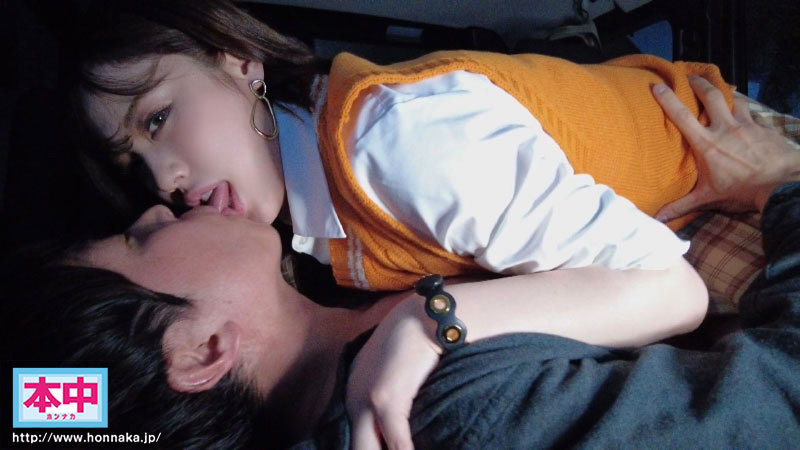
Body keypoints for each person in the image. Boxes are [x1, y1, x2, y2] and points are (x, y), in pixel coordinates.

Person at [5, 79, 799, 449]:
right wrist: (785, 187)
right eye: (140, 243)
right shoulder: (456, 419)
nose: (154, 203)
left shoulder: (343, 280)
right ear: (202, 352)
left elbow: (41, 412)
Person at [70, 2, 716, 446]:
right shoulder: (313, 224)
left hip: (712, 144)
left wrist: (428, 321)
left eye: (157, 119)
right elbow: (48, 415)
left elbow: (673, 289)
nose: (162, 181)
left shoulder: (401, 145)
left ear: (242, 63)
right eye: (132, 161)